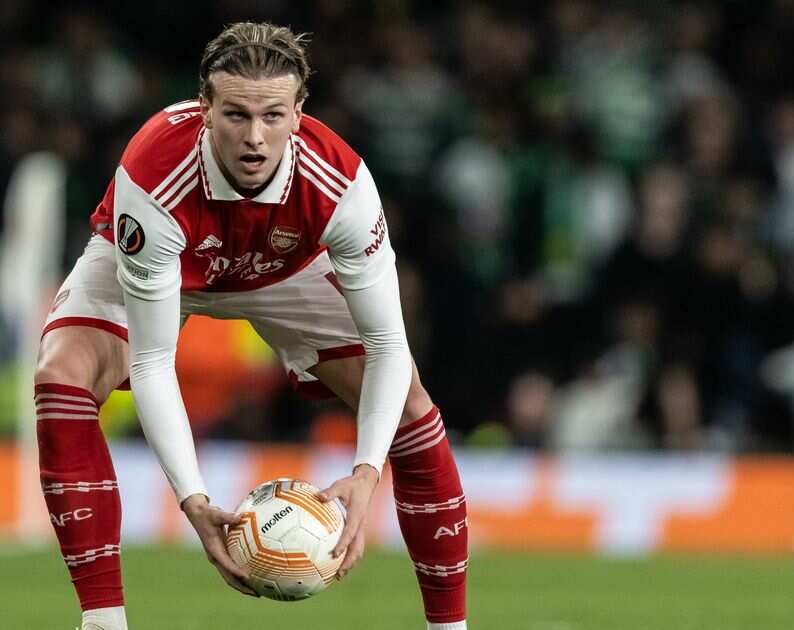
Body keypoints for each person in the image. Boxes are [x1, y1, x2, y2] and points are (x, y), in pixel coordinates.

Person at [35, 22, 469, 630]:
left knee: (410, 405)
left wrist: (366, 475)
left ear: (299, 114)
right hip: (171, 264)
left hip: (288, 270)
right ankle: (103, 623)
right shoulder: (153, 175)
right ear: (205, 110)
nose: (255, 137)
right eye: (236, 115)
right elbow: (153, 363)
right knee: (61, 373)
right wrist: (193, 501)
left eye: (272, 116)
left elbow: (388, 346)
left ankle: (450, 628)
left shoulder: (342, 184)